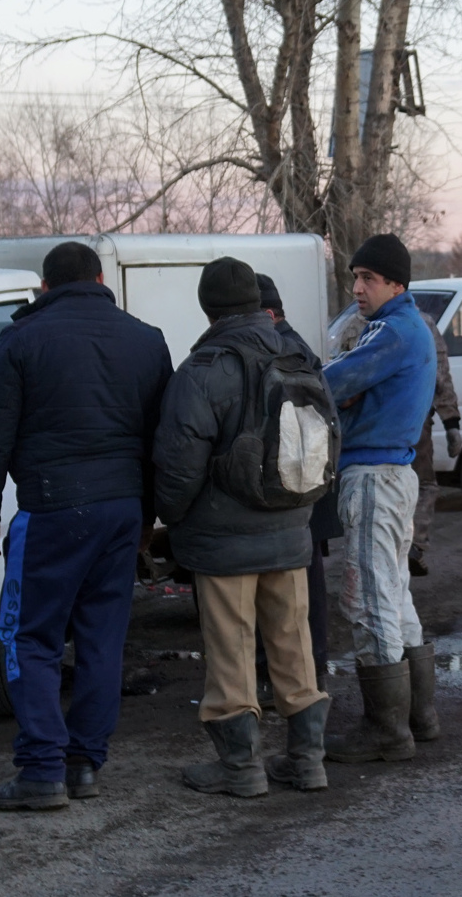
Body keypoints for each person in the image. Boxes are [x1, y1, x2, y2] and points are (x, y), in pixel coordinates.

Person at [0, 241, 172, 810]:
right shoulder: (146, 339)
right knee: (101, 641)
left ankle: (40, 770)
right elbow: (161, 441)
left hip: (53, 507)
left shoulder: (22, 339)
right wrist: (146, 519)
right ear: (101, 278)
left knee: (26, 636)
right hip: (122, 510)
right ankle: (84, 764)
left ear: (46, 286)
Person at [155, 259, 331, 796]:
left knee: (231, 648)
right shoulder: (297, 355)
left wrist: (173, 519)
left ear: (209, 307)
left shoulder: (203, 369)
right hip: (290, 530)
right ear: (257, 302)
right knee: (293, 644)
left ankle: (241, 768)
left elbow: (179, 465)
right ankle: (306, 761)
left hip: (223, 540)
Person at [321, 234, 439, 763]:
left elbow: (335, 380)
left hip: (373, 476)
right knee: (394, 595)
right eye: (355, 277)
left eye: (368, 278)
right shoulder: (406, 329)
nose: (357, 287)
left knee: (369, 599)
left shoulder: (392, 333)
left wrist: (296, 379)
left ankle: (386, 730)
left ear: (397, 283)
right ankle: (419, 716)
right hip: (394, 476)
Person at [332, 299, 457, 577]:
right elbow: (440, 374)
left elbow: (339, 370)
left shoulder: (354, 325)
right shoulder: (418, 325)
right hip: (412, 419)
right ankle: (413, 544)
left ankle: (403, 546)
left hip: (367, 432)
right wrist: (452, 420)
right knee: (423, 484)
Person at [256, 273, 334, 689]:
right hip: (308, 483)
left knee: (303, 586)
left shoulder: (285, 350)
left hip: (297, 484)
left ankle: (305, 669)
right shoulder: (295, 344)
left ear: (269, 313)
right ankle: (310, 666)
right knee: (306, 581)